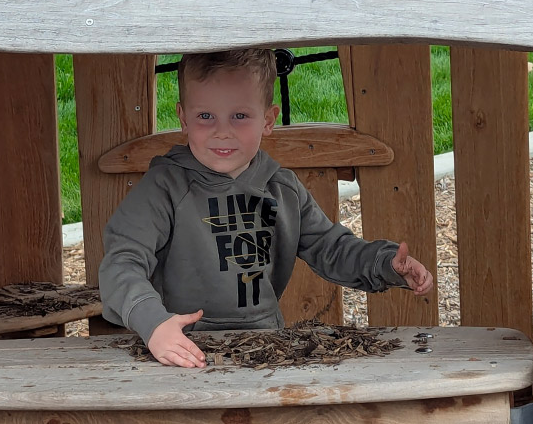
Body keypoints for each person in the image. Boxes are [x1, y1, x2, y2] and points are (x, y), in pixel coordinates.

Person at [99, 48, 433, 368]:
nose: (222, 132)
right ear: (183, 118)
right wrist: (154, 324)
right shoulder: (164, 188)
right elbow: (121, 263)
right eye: (205, 116)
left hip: (266, 347)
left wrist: (385, 264)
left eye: (240, 116)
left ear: (268, 120)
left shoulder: (281, 188)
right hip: (182, 349)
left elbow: (330, 247)